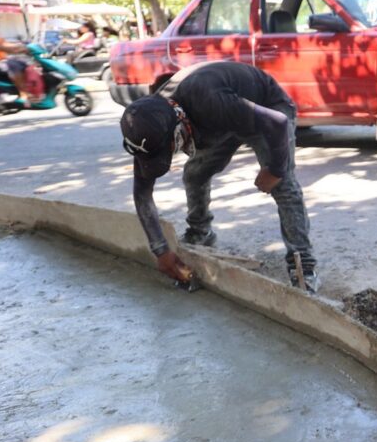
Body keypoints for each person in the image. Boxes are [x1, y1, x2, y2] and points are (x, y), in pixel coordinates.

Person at [120, 61, 318, 292]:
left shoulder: (208, 99)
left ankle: (303, 265)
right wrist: (160, 249)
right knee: (194, 174)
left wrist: (275, 169)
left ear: (178, 127)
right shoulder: (146, 125)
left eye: (169, 149)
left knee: (283, 185)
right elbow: (142, 193)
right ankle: (200, 232)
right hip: (221, 121)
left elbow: (278, 122)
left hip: (267, 111)